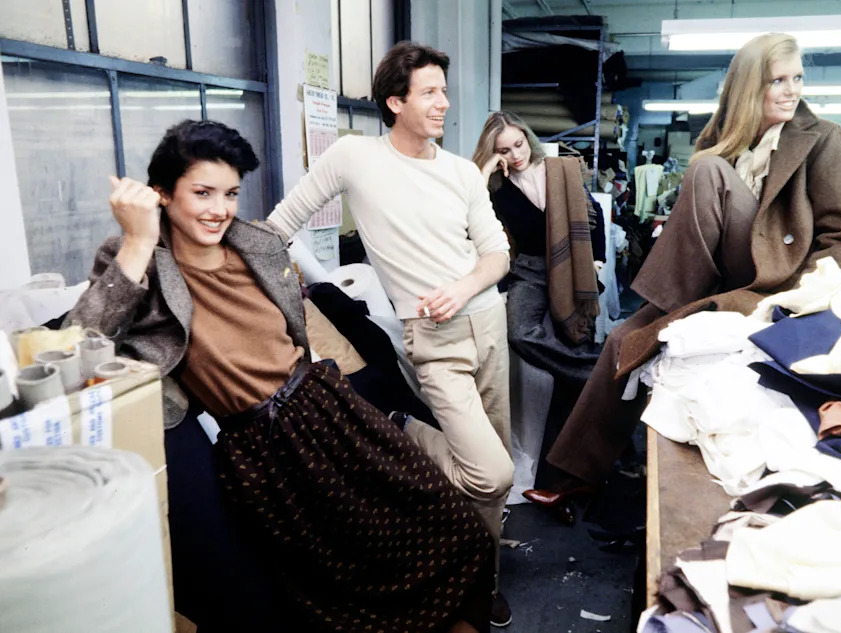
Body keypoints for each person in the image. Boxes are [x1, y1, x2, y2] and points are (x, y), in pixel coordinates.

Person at [65, 120, 494, 633]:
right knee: (339, 577)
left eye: (229, 193)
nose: (219, 209)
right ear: (162, 193)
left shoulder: (258, 244)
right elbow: (77, 344)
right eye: (202, 193)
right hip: (262, 444)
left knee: (446, 521)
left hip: (327, 405)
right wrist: (138, 239)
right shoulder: (140, 262)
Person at [523, 33, 841, 519]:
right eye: (778, 81)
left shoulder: (824, 138)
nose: (791, 91)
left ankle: (668, 301)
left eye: (797, 79)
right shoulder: (725, 139)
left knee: (705, 174)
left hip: (779, 278)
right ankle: (577, 475)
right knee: (624, 338)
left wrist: (801, 296)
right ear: (751, 87)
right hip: (720, 274)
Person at [265, 41, 516, 627]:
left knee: (493, 480)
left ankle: (481, 581)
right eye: (430, 92)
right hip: (435, 340)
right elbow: (281, 222)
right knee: (489, 471)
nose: (444, 105)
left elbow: (497, 254)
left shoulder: (459, 172)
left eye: (444, 92)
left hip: (488, 326)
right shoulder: (354, 156)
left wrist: (462, 285)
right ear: (394, 101)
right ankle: (405, 431)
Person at [471, 111, 606, 385]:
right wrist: (485, 172)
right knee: (519, 333)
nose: (516, 155)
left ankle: (581, 390)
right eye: (504, 150)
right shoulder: (497, 188)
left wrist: (597, 260)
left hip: (570, 264)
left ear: (527, 138)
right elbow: (469, 215)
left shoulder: (558, 169)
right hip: (530, 270)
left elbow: (595, 212)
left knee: (577, 332)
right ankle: (597, 370)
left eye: (519, 144)